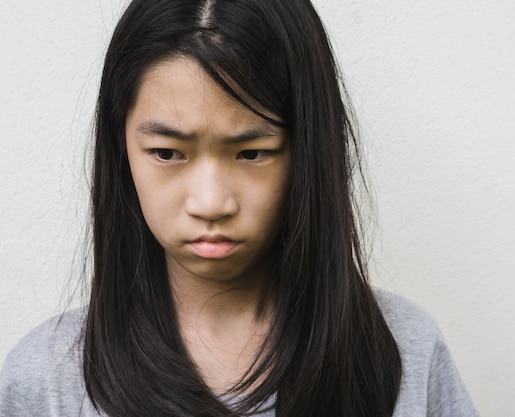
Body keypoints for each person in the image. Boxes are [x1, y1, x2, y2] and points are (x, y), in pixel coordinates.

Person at [0, 0, 479, 416]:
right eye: (167, 152)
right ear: (120, 149)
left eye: (251, 153)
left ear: (309, 152)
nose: (211, 203)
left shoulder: (404, 352)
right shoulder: (47, 378)